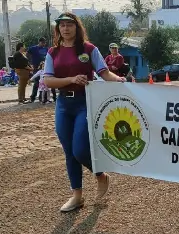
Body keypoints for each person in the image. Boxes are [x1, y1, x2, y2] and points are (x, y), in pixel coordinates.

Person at [43, 12, 126, 212]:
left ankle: (100, 175)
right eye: (61, 25)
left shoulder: (89, 49)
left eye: (69, 25)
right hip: (63, 105)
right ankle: (77, 196)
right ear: (58, 29)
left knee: (79, 149)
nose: (65, 28)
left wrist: (119, 81)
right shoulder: (53, 52)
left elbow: (104, 73)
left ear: (77, 27)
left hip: (85, 103)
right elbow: (48, 80)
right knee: (68, 152)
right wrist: (71, 79)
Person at [28, 37, 51, 103]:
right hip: (36, 67)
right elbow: (27, 54)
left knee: (45, 83)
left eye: (44, 43)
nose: (44, 44)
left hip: (45, 68)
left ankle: (43, 98)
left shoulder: (46, 49)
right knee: (36, 82)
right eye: (43, 43)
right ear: (39, 42)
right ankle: (33, 97)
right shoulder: (33, 48)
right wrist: (30, 63)